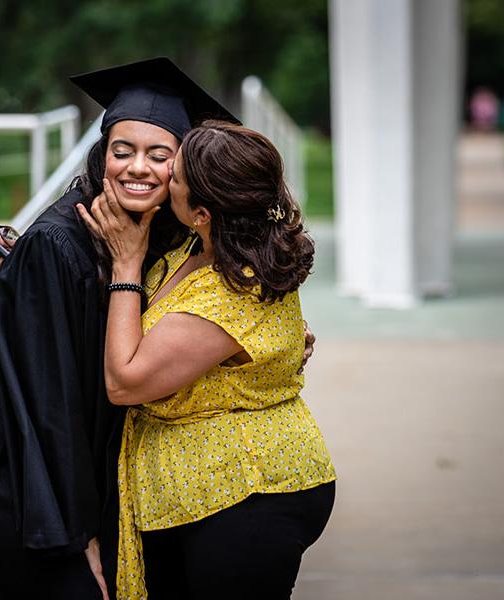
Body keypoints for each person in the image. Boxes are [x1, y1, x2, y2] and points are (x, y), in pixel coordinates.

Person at [0, 58, 240, 599]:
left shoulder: (154, 233)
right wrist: (81, 535)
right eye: (122, 151)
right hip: (31, 479)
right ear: (100, 155)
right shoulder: (59, 244)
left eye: (160, 156)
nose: (138, 168)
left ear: (182, 171)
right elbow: (48, 406)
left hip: (83, 466)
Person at [78, 120, 336, 599]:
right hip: (207, 492)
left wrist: (126, 265)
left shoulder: (227, 291)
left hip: (248, 494)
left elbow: (125, 382)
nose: (161, 177)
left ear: (200, 211)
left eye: (173, 175)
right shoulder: (198, 249)